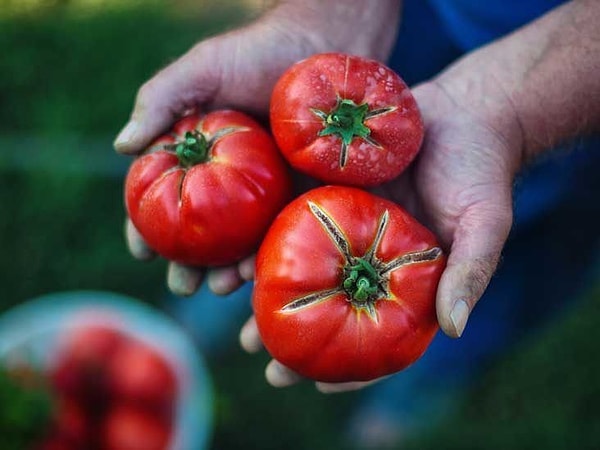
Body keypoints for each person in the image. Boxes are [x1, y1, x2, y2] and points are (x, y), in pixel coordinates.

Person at [114, 0, 600, 446]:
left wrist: (516, 112)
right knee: (421, 264)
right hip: (418, 17)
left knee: (493, 272)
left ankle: (435, 372)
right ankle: (245, 285)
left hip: (580, 79)